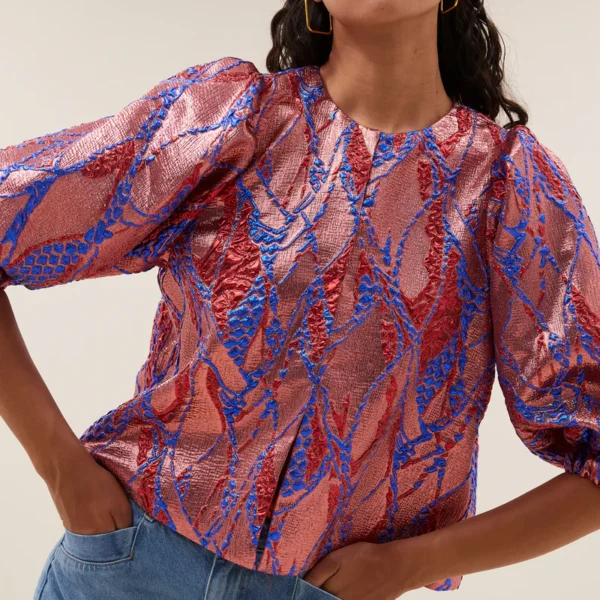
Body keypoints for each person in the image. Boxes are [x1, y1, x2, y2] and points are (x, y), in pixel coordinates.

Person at [2, 0, 600, 599]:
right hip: (130, 564)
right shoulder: (231, 121)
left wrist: (413, 563)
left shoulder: (507, 186)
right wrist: (62, 470)